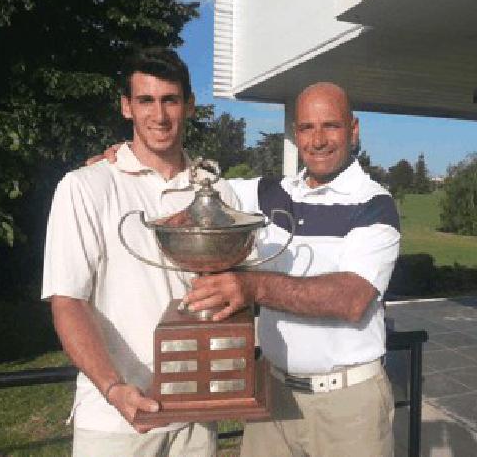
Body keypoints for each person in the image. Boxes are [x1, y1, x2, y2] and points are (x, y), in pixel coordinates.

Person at [93, 81, 400, 456]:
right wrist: (124, 162)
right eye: (306, 128)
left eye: (330, 126)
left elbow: (351, 298)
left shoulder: (374, 204)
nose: (317, 140)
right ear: (296, 134)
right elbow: (192, 182)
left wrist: (251, 288)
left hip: (348, 405)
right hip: (273, 395)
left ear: (353, 130)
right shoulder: (269, 193)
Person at [42, 47, 240, 456]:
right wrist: (115, 389)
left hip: (196, 416)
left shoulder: (216, 188)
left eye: (170, 100)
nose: (160, 115)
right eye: (146, 100)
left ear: (189, 105)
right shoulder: (86, 186)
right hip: (116, 422)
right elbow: (67, 302)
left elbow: (237, 286)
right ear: (126, 107)